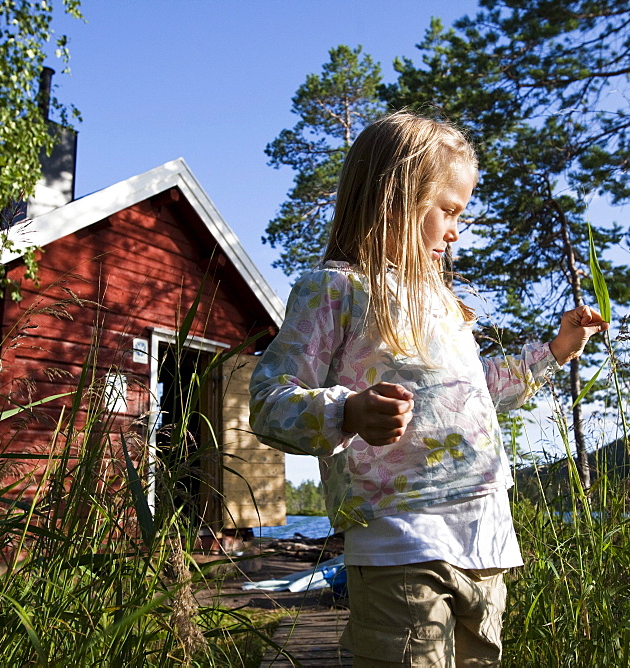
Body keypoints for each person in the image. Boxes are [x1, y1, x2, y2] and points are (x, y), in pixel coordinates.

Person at [249, 110, 608, 666]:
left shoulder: (444, 304)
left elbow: (474, 396)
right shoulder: (336, 289)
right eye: (448, 210)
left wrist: (555, 352)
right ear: (395, 197)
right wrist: (347, 411)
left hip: (486, 539)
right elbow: (269, 401)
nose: (456, 229)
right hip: (399, 539)